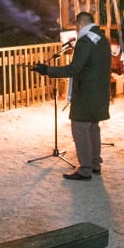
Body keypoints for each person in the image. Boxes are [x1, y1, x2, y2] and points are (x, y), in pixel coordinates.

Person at [32, 11, 112, 180]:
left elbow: (74, 69)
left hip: (86, 94)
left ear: (79, 24)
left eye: (76, 27)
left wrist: (48, 70)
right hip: (100, 92)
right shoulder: (102, 38)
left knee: (80, 129)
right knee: (93, 128)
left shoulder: (84, 41)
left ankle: (85, 169)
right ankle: (95, 163)